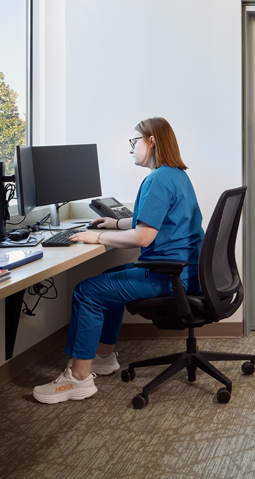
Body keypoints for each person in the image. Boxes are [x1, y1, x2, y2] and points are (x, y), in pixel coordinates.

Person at [33, 117, 203, 404]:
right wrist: (113, 225)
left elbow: (143, 238)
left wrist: (95, 238)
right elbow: (148, 224)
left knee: (88, 292)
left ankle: (78, 379)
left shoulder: (158, 179)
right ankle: (103, 357)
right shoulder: (176, 175)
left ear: (151, 141)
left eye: (134, 141)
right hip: (185, 270)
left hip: (168, 276)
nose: (131, 148)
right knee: (109, 277)